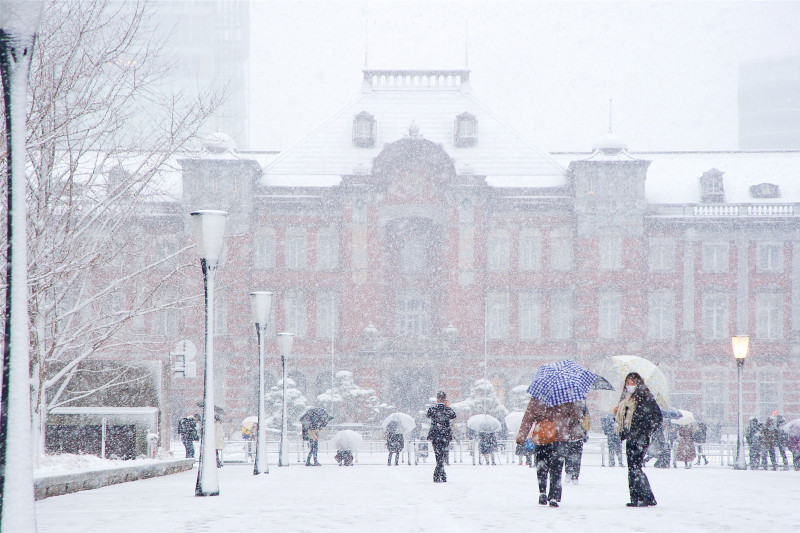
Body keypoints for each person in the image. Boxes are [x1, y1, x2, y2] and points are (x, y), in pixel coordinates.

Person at [516, 395, 583, 508]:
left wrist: (522, 436)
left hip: (542, 434)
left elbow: (528, 417)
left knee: (541, 465)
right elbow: (576, 416)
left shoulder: (538, 396)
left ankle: (542, 492)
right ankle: (553, 496)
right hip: (560, 435)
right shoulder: (567, 395)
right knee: (556, 467)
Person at [614, 372, 663, 508]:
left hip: (640, 437)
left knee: (636, 468)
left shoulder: (646, 398)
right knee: (632, 468)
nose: (630, 385)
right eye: (628, 383)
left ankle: (645, 497)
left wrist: (646, 431)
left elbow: (658, 418)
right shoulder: (626, 399)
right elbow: (624, 421)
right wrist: (618, 413)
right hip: (630, 437)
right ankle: (636, 498)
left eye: (632, 382)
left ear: (638, 383)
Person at [426, 391, 456, 483]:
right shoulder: (448, 410)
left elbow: (428, 415)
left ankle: (439, 475)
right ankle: (441, 475)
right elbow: (453, 415)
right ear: (445, 399)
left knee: (438, 455)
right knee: (442, 455)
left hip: (435, 435)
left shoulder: (432, 410)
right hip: (445, 435)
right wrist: (446, 406)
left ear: (437, 399)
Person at [564, 402, 590, 484]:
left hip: (577, 436)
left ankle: (574, 475)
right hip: (569, 436)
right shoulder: (567, 405)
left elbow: (587, 421)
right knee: (569, 456)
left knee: (576, 457)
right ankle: (569, 472)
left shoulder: (582, 406)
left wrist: (584, 430)